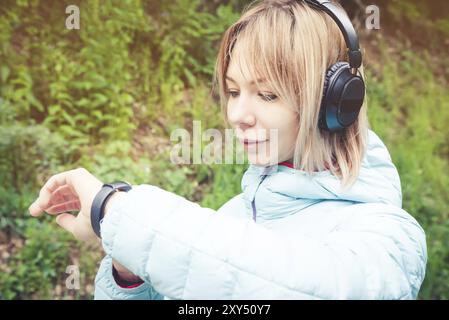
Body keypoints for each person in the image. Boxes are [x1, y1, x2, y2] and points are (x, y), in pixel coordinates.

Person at [28, 0, 427, 300]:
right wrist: (126, 268)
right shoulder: (234, 215)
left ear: (337, 103)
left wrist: (115, 212)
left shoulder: (389, 240)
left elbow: (286, 284)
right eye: (234, 91)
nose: (237, 113)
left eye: (267, 94)